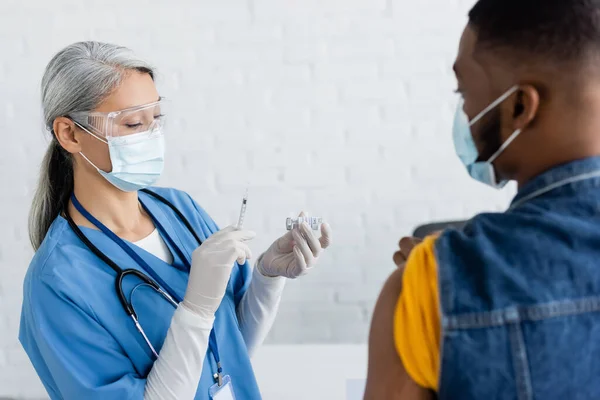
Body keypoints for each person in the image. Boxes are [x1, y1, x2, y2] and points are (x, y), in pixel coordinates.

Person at [19, 41, 332, 400]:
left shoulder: (180, 212)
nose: (151, 136)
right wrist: (196, 307)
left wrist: (267, 276)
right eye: (133, 123)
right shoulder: (58, 283)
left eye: (156, 120)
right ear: (70, 134)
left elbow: (230, 352)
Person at [364, 1, 600, 399]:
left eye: (464, 92)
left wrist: (434, 283)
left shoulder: (426, 290)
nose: (464, 113)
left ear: (519, 107)